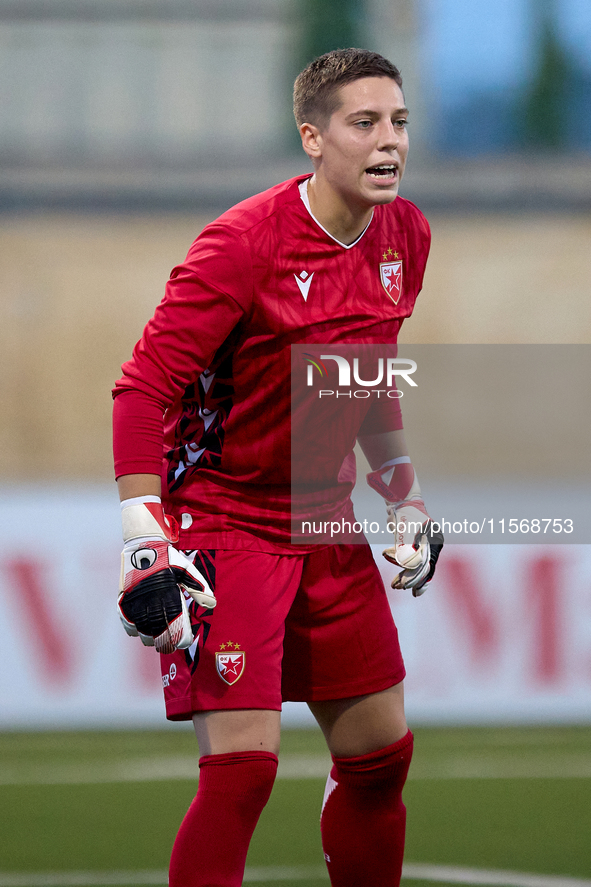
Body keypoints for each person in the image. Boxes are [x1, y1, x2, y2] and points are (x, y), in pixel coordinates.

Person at [112, 48, 443, 887]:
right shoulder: (241, 244)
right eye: (363, 123)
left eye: (398, 122)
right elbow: (141, 388)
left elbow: (365, 374)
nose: (388, 142)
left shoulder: (406, 234)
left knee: (380, 758)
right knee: (243, 773)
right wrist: (143, 540)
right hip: (227, 519)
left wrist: (403, 498)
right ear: (311, 136)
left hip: (325, 521)